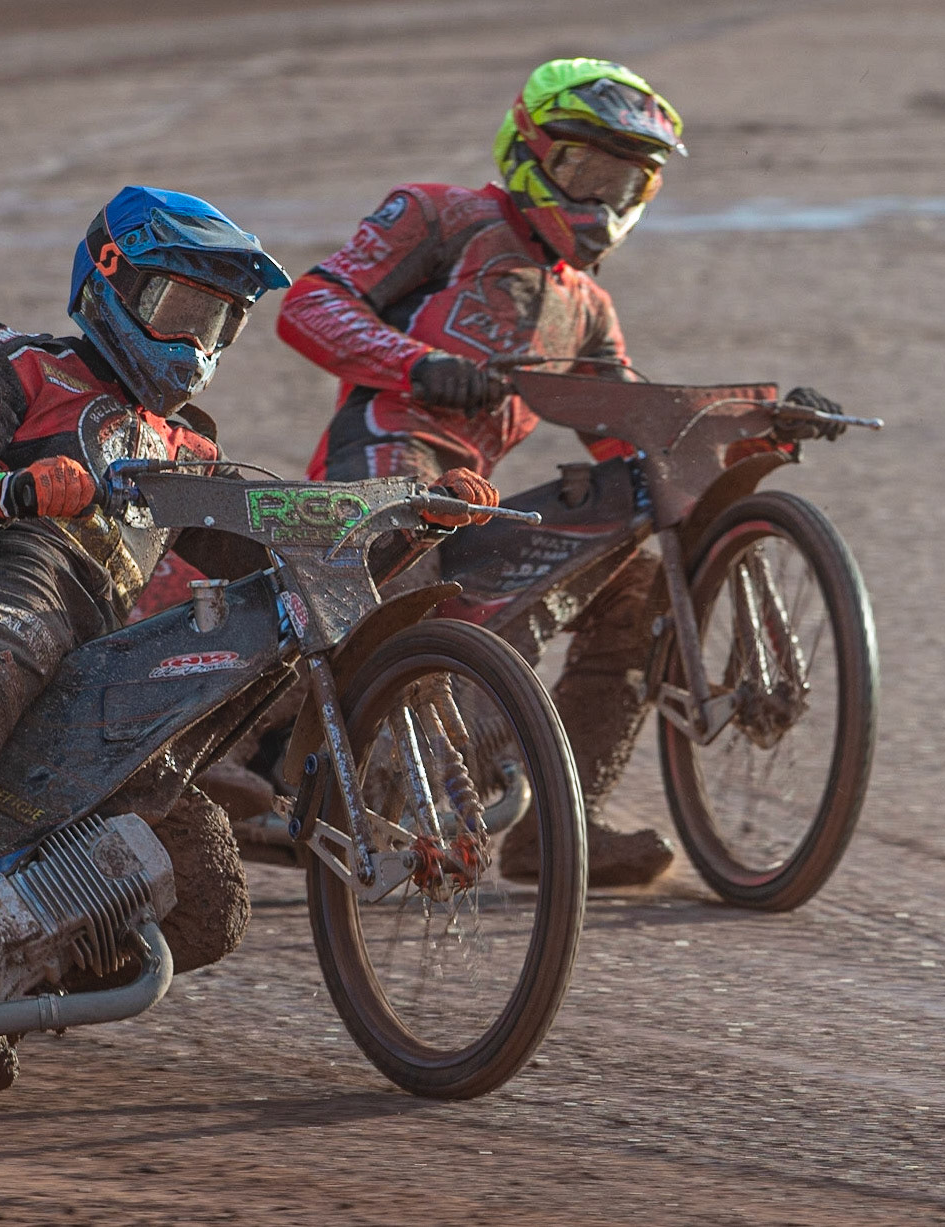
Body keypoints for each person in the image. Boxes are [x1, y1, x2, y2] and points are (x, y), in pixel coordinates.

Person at [0, 185, 499, 1088]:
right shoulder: (10, 364)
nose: (195, 340)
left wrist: (412, 523)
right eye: (180, 308)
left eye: (217, 321)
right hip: (7, 580)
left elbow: (288, 535)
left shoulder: (185, 447)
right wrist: (19, 490)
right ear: (110, 280)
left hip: (103, 648)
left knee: (204, 891)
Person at [274, 57, 690, 887]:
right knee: (416, 583)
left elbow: (627, 429)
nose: (599, 199)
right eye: (584, 169)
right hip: (382, 461)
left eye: (623, 182)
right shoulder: (440, 213)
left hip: (472, 492)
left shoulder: (586, 305)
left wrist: (742, 427)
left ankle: (559, 827)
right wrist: (417, 364)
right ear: (527, 148)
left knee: (635, 586)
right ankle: (400, 795)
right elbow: (309, 303)